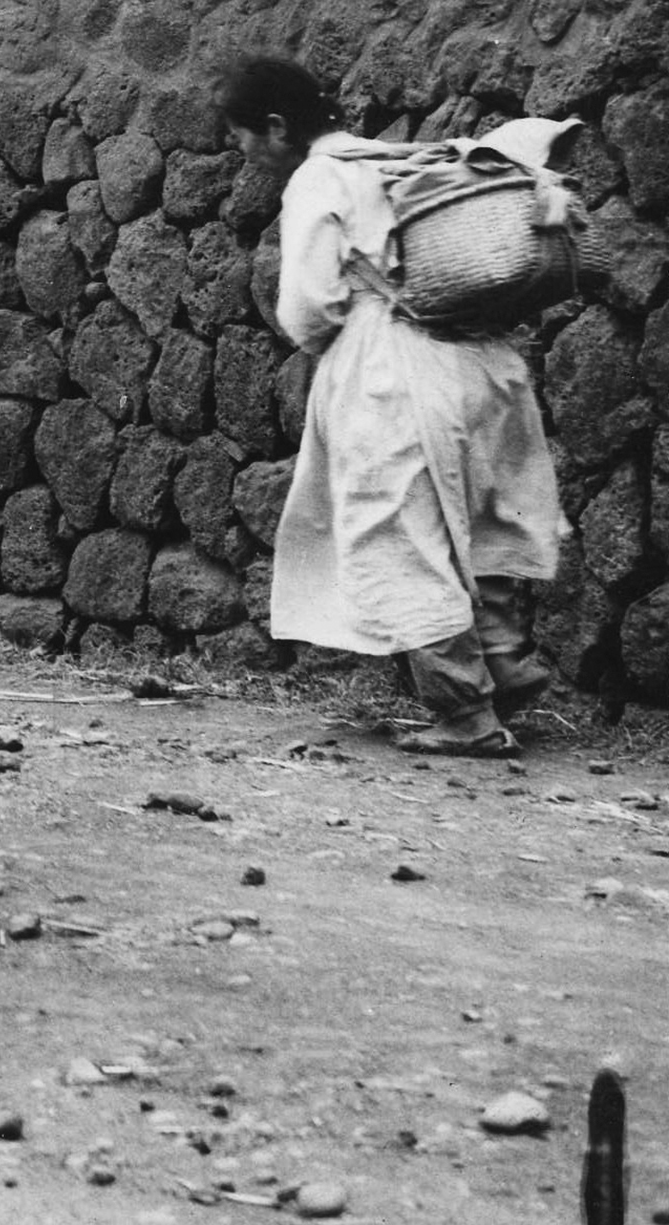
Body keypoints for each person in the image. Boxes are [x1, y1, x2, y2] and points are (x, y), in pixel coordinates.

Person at [221, 54, 561, 757]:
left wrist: (324, 340)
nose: (242, 152)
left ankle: (465, 714)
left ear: (277, 127)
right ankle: (505, 664)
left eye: (242, 136)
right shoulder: (391, 159)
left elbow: (309, 305)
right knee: (477, 518)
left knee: (398, 533)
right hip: (484, 360)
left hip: (395, 366)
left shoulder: (320, 175)